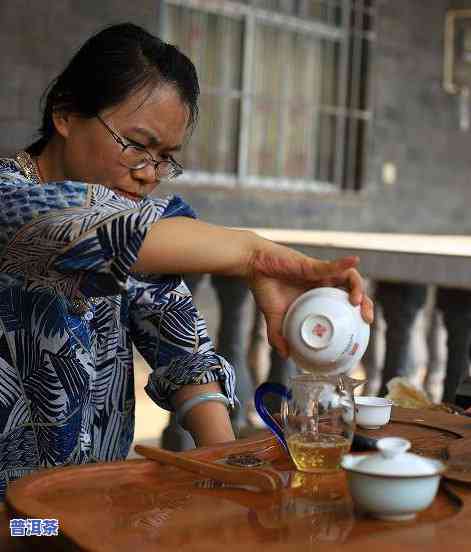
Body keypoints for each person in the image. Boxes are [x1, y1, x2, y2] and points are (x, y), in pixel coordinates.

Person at [0, 23, 373, 499]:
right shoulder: (11, 204)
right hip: (16, 522)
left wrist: (230, 466)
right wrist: (257, 257)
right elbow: (96, 232)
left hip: (91, 505)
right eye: (135, 145)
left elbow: (183, 350)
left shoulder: (141, 224)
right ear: (67, 114)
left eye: (165, 158)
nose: (148, 174)